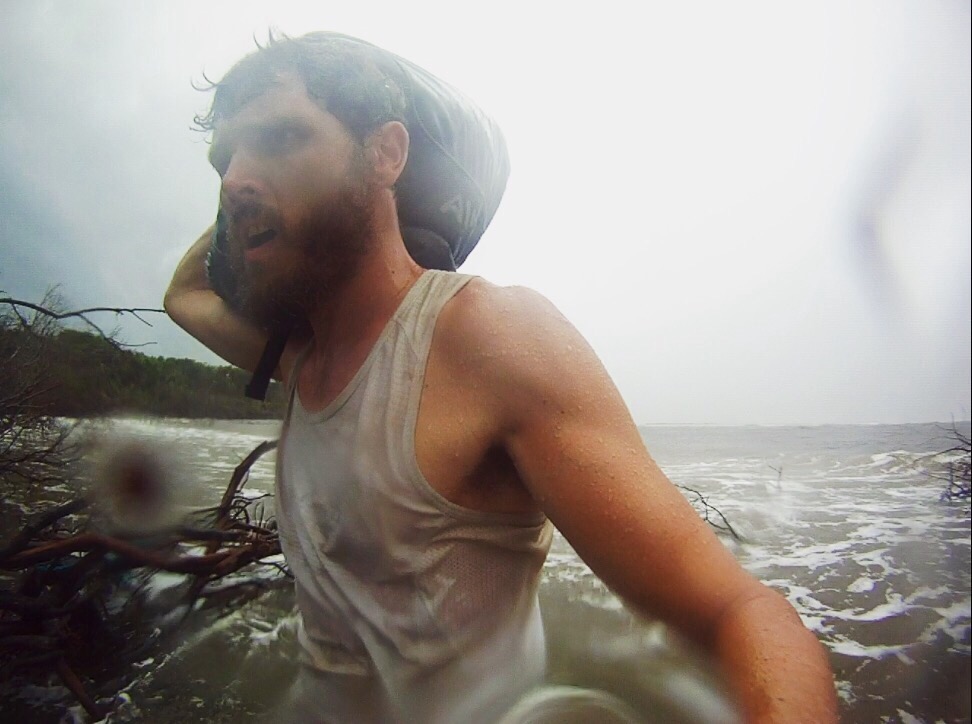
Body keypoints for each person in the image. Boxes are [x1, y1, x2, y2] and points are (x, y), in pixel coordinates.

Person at [165, 32, 838, 724]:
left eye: (280, 138)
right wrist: (253, 201)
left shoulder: (485, 340)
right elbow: (184, 294)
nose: (234, 178)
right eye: (225, 159)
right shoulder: (301, 358)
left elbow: (739, 612)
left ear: (386, 152)